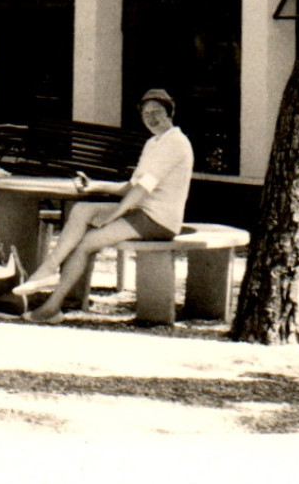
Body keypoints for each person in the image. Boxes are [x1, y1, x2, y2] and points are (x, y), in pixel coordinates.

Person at [14, 88, 194, 324]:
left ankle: (51, 307)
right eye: (146, 113)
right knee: (81, 210)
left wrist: (114, 216)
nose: (151, 117)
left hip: (159, 219)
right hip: (141, 211)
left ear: (169, 113)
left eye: (157, 112)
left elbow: (142, 190)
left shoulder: (175, 143)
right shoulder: (153, 143)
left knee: (86, 243)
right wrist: (95, 186)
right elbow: (131, 186)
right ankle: (48, 269)